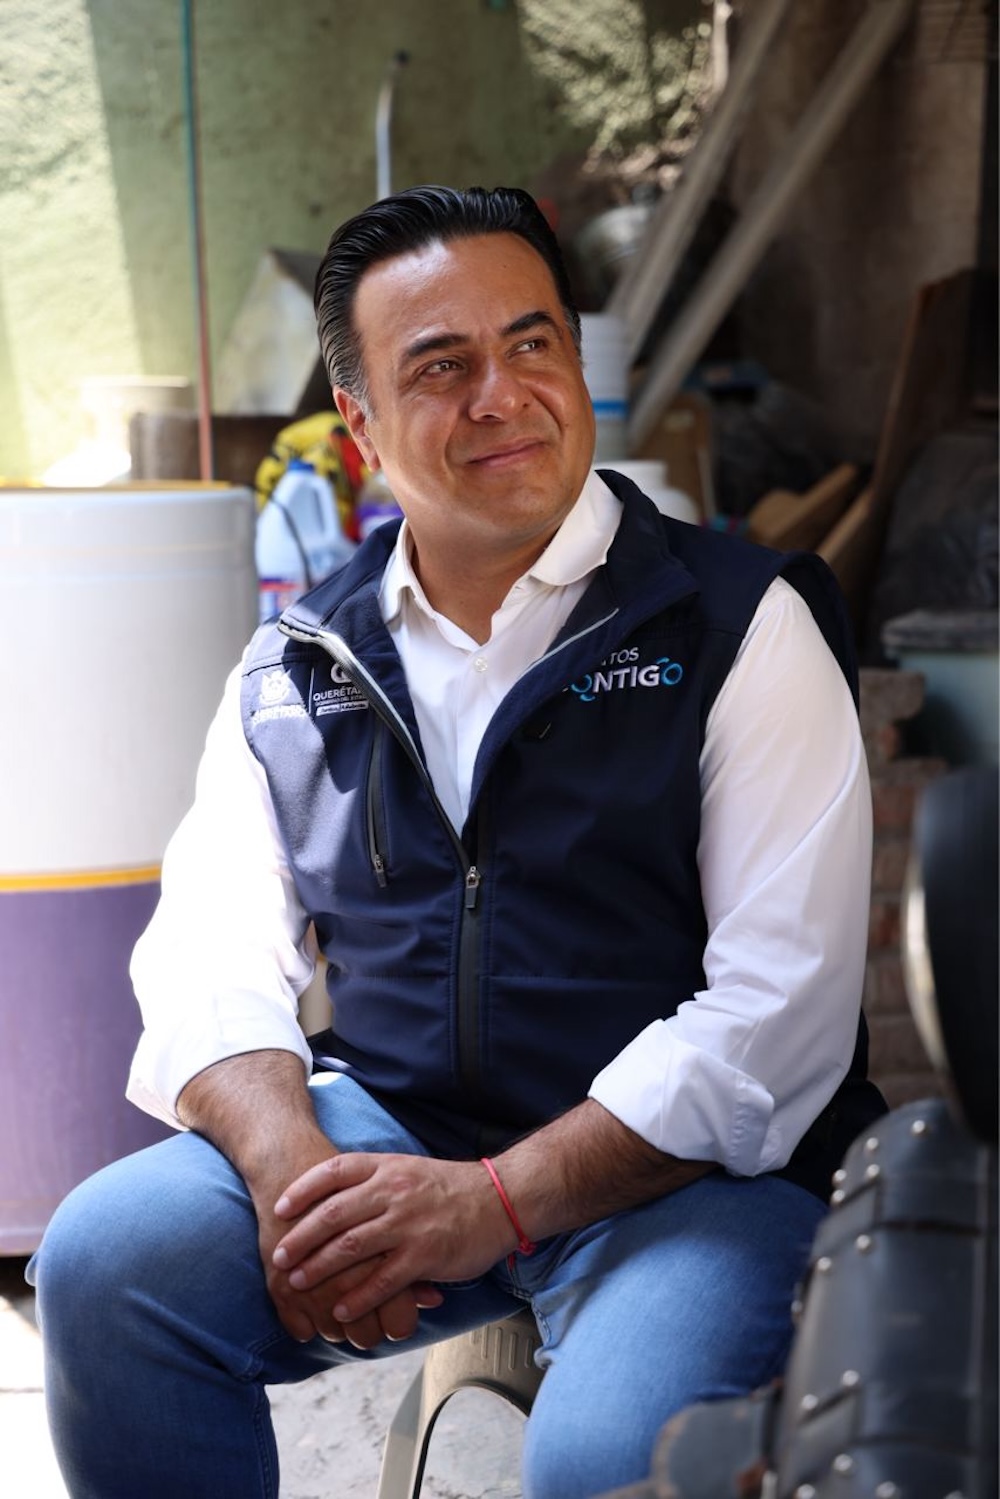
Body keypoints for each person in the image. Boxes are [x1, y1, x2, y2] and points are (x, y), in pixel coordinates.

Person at [29, 185, 886, 1499]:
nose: (502, 396)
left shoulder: (738, 625)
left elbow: (782, 1010)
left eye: (532, 343)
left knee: (610, 1462)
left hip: (688, 1184)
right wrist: (299, 1181)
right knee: (106, 1264)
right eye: (440, 366)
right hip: (398, 1129)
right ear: (361, 427)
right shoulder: (301, 663)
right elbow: (207, 952)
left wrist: (497, 1200)